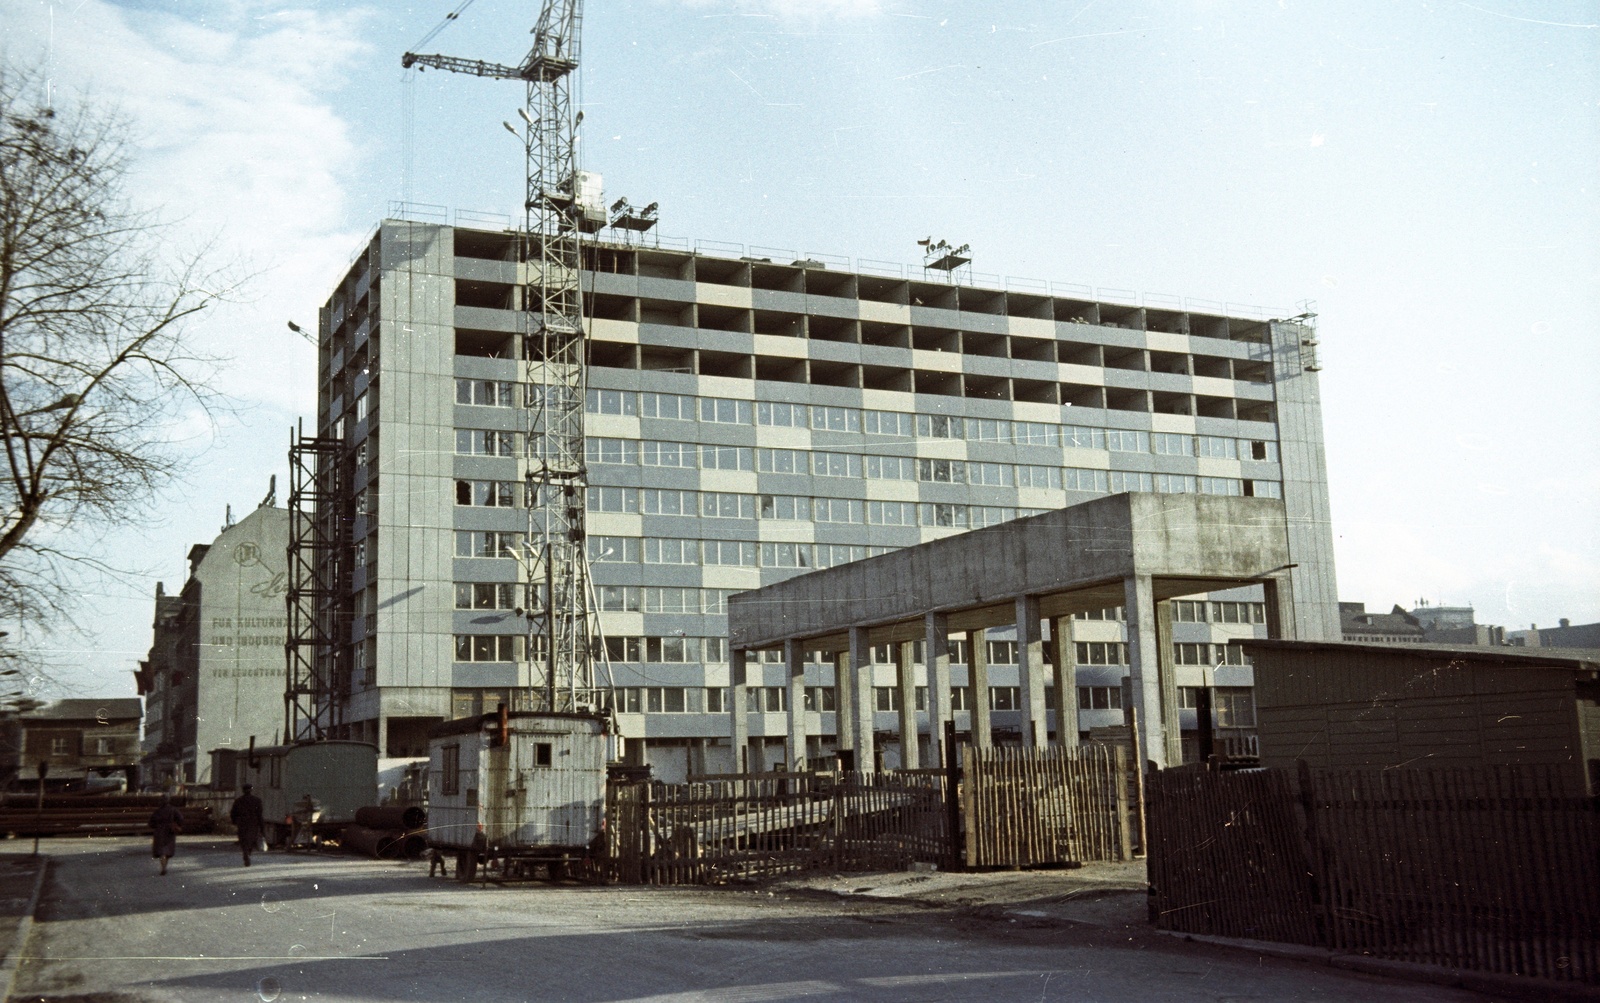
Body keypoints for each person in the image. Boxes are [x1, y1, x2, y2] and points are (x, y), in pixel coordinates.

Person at [229, 783, 265, 866]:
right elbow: (259, 814)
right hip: (253, 823)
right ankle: (248, 853)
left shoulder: (238, 801)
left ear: (243, 790)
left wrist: (234, 821)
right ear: (251, 790)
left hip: (242, 823)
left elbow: (233, 813)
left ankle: (245, 852)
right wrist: (262, 827)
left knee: (243, 840)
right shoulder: (257, 800)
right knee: (251, 840)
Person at [147, 793, 183, 876]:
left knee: (161, 851)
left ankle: (163, 867)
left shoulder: (157, 811)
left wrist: (156, 826)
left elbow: (151, 823)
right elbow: (181, 819)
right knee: (167, 851)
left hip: (159, 831)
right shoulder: (173, 809)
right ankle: (164, 867)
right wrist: (177, 825)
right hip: (169, 831)